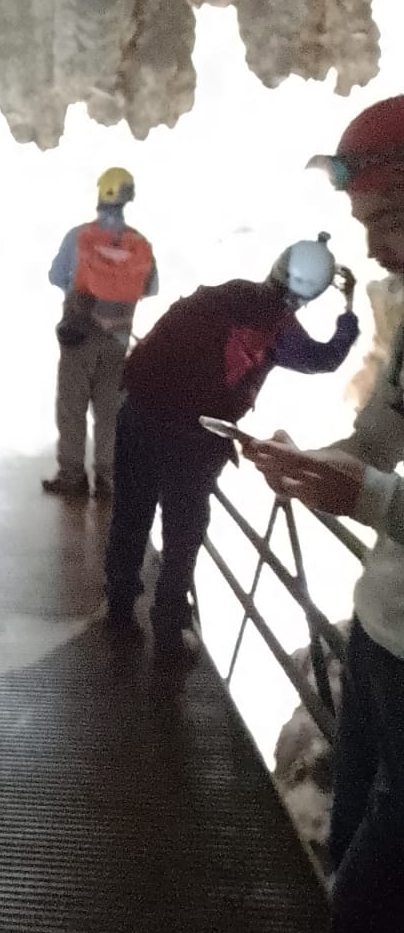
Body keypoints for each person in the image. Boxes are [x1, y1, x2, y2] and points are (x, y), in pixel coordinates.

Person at [247, 97, 404, 933]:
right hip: (382, 636)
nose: (378, 247)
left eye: (389, 223)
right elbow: (383, 442)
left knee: (370, 915)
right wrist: (323, 465)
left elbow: (385, 484)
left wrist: (367, 491)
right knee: (350, 855)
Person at [106, 232, 359, 661]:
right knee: (183, 532)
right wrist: (349, 316)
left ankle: (119, 607)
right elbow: (324, 359)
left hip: (140, 415)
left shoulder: (225, 294)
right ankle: (168, 627)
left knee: (132, 511)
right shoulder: (279, 329)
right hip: (196, 438)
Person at [43, 167, 158, 501]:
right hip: (119, 337)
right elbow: (150, 287)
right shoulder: (140, 243)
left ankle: (72, 476)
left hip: (79, 334)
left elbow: (55, 276)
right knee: (109, 411)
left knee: (72, 407)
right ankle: (108, 478)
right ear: (129, 198)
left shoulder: (78, 237)